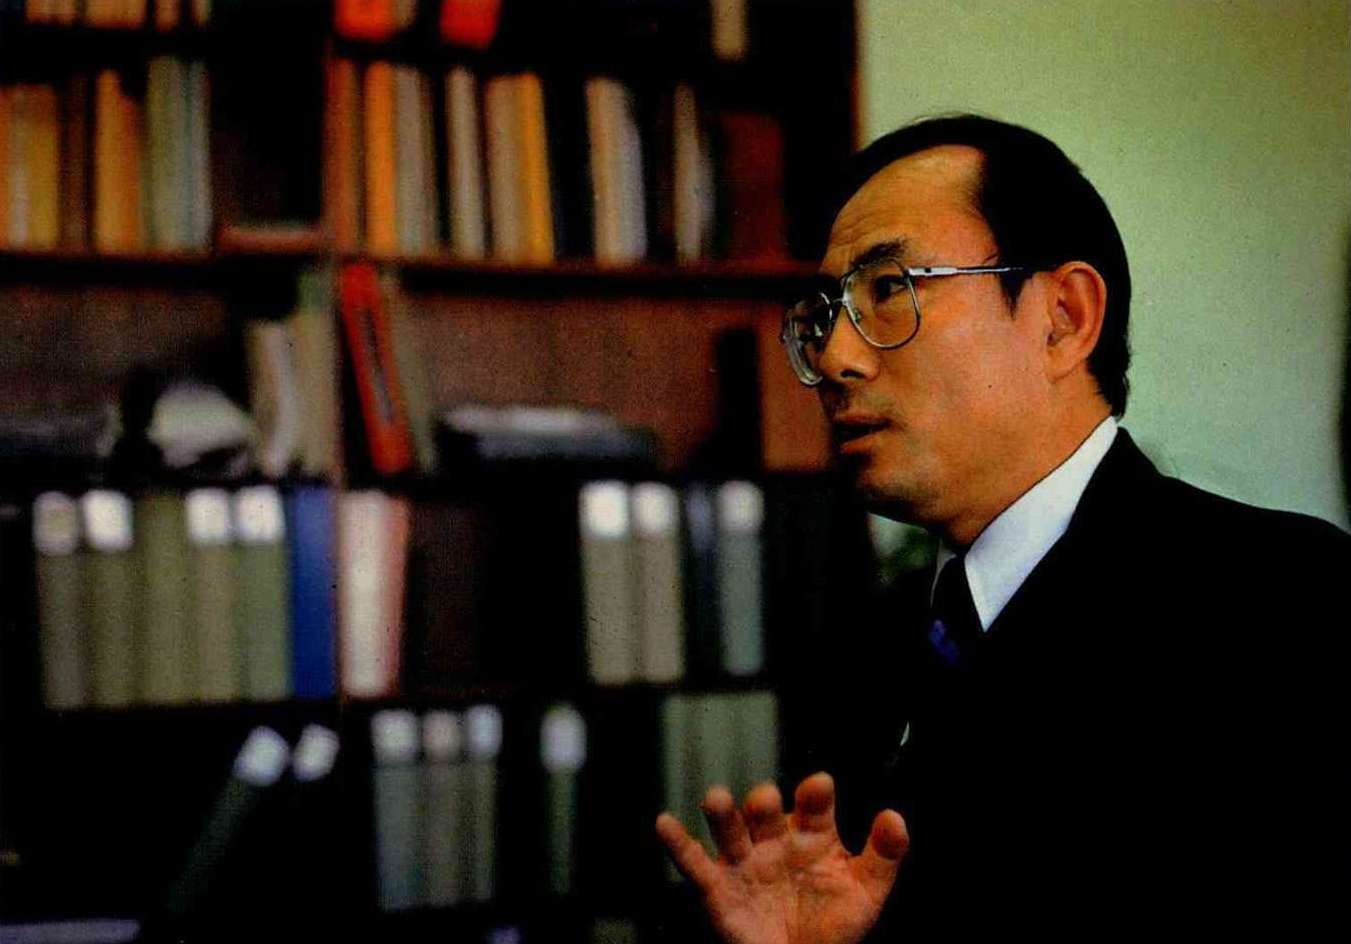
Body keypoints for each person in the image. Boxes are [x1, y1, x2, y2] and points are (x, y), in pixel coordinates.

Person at [655, 115, 1350, 940]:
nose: (836, 358)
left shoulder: (1288, 598)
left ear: (1062, 317)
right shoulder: (872, 638)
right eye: (825, 314)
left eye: (889, 290)